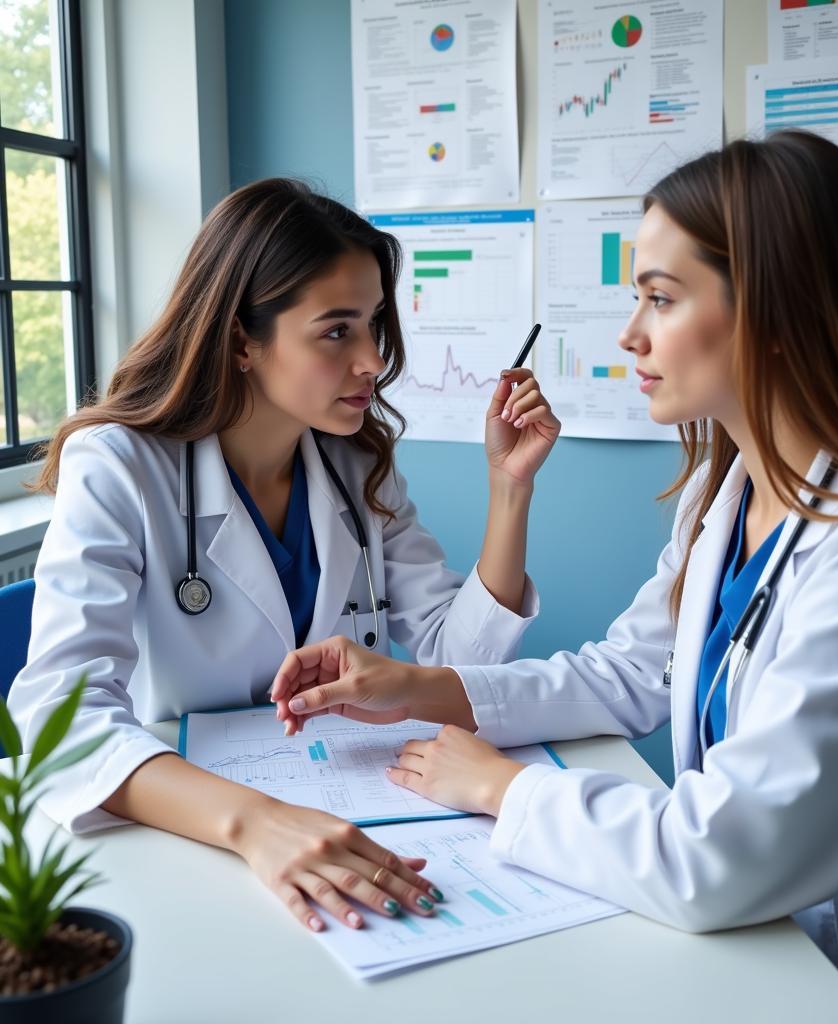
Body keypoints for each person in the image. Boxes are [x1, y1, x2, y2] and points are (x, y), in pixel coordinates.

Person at [274, 133, 838, 1022]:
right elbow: (632, 673)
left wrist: (501, 787)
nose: (630, 335)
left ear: (780, 312)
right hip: (782, 956)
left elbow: (722, 859)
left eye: (661, 299)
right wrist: (420, 688)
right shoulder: (729, 487)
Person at [9, 178, 560, 934]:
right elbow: (57, 721)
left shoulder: (356, 463)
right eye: (337, 331)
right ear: (242, 339)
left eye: (372, 324)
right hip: (190, 835)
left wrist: (509, 490)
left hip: (355, 813)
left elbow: (454, 658)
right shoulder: (119, 466)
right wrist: (259, 824)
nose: (373, 359)